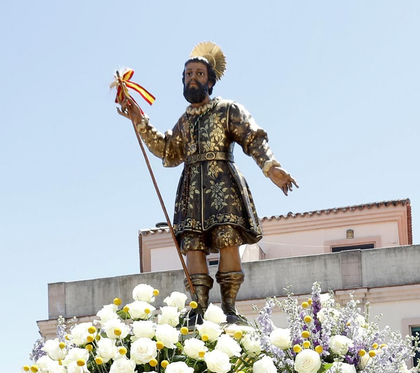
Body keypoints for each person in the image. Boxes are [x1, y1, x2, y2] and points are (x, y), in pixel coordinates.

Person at [117, 41, 297, 316]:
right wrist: (139, 120)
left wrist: (271, 167)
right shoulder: (184, 121)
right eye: (188, 74)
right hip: (191, 187)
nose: (192, 78)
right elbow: (168, 150)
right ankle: (199, 307)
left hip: (222, 181)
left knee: (227, 239)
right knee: (193, 245)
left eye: (199, 74)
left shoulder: (228, 109)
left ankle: (229, 308)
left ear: (210, 81)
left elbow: (253, 137)